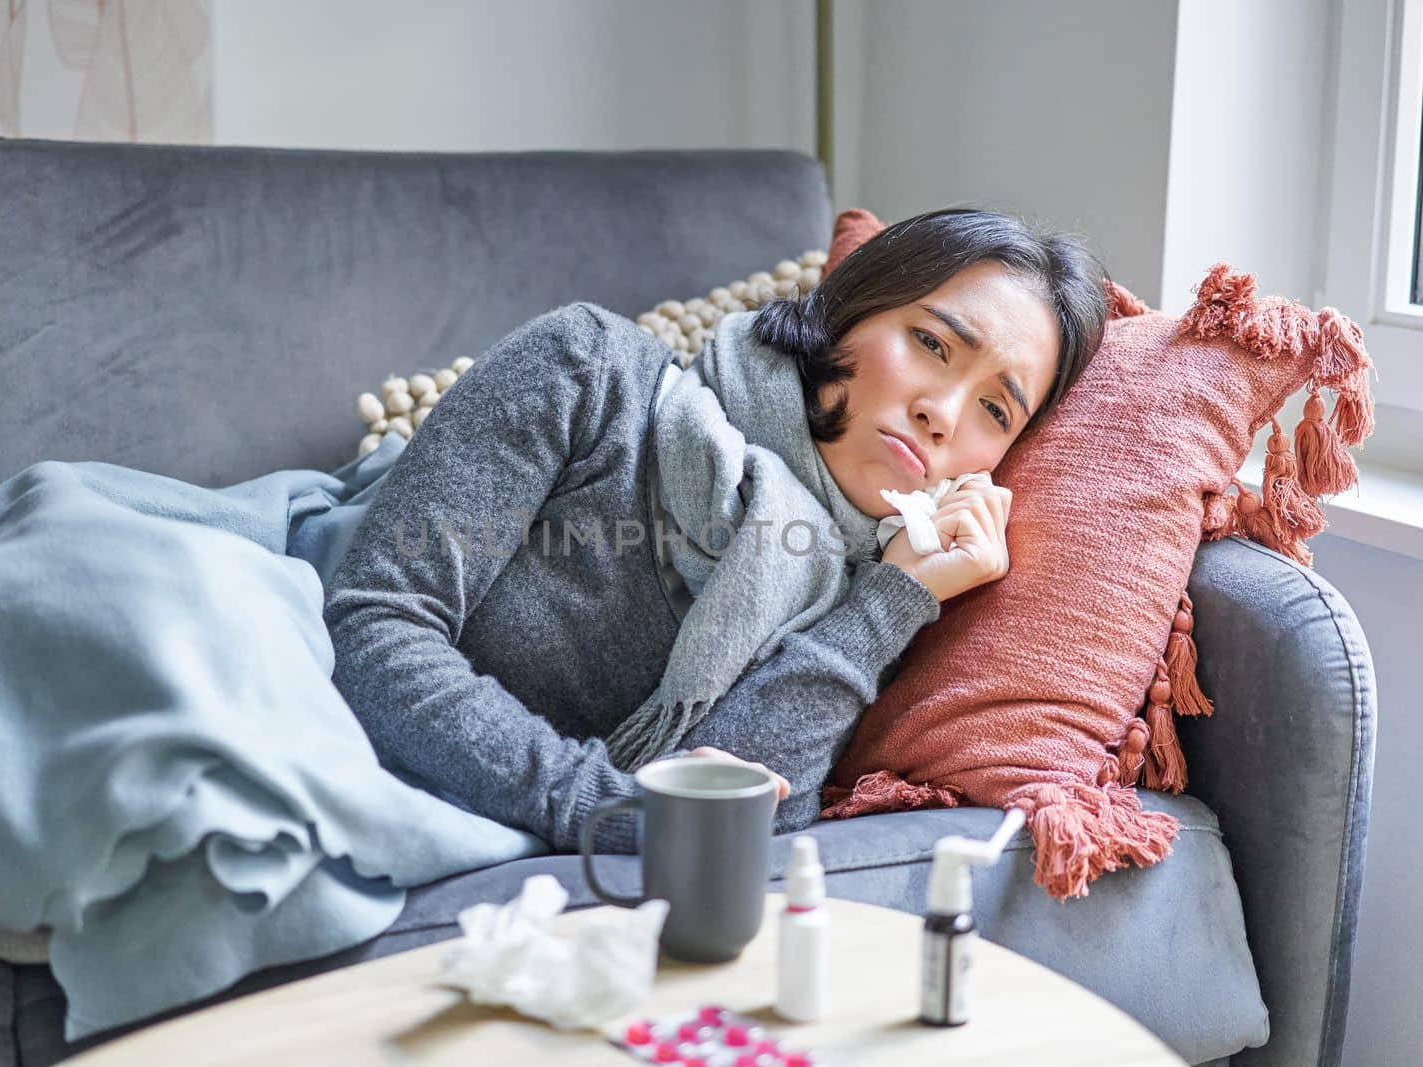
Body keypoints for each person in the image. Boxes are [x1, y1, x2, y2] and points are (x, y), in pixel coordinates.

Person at [324, 207, 1108, 853]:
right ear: (852, 308)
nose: (944, 410)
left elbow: (749, 817)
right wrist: (609, 808)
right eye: (933, 344)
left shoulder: (861, 586)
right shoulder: (590, 371)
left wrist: (891, 601)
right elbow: (371, 624)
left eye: (995, 409)